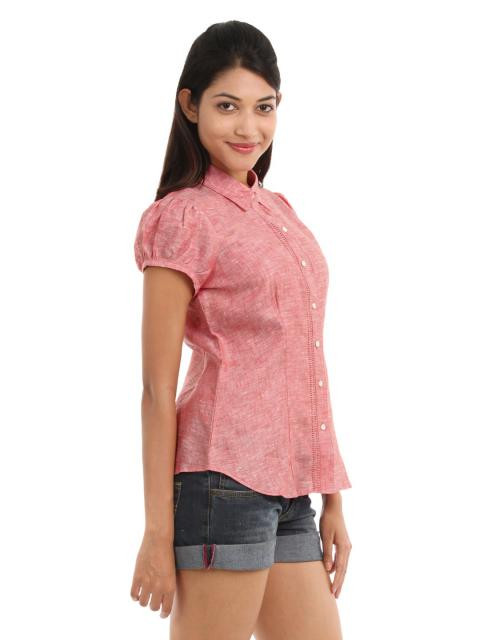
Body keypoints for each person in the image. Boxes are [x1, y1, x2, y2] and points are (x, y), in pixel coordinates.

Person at [130, 20, 353, 640]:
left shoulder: (278, 210)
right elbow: (156, 388)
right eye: (227, 106)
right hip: (221, 483)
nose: (248, 128)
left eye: (264, 107)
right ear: (190, 105)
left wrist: (332, 496)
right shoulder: (181, 218)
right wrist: (157, 533)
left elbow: (306, 360)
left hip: (292, 493)